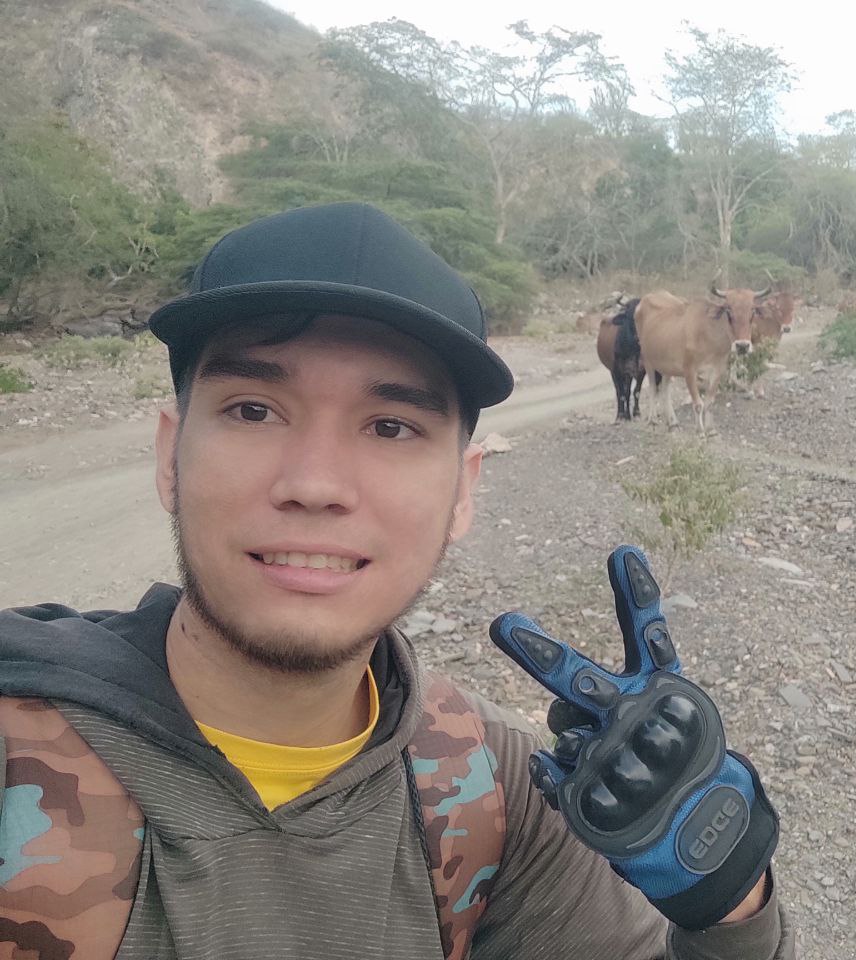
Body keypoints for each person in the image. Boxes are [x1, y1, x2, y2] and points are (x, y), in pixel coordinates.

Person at [0, 202, 793, 959]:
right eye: (252, 410)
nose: (314, 483)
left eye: (391, 427)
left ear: (463, 491)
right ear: (169, 455)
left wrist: (727, 895)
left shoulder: (494, 785)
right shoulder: (19, 747)